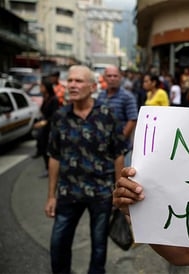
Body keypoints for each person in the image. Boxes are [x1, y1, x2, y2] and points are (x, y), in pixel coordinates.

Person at [44, 65, 128, 274]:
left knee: (99, 245)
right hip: (68, 192)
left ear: (92, 87)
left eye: (78, 81)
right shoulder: (60, 117)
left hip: (101, 193)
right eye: (70, 81)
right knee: (58, 244)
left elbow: (118, 154)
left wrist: (118, 193)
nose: (72, 85)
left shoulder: (107, 114)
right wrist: (51, 196)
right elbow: (54, 156)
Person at [97, 65, 138, 167]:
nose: (112, 78)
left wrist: (120, 140)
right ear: (104, 78)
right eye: (109, 76)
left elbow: (132, 119)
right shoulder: (101, 96)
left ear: (120, 77)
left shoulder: (127, 97)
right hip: (103, 146)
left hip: (122, 149)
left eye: (115, 76)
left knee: (121, 179)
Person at [32, 78, 59, 177]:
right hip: (44, 127)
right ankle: (47, 165)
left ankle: (50, 169)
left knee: (49, 148)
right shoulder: (45, 97)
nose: (40, 88)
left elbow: (55, 115)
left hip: (50, 127)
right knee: (42, 145)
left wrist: (45, 122)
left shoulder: (54, 99)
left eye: (41, 86)